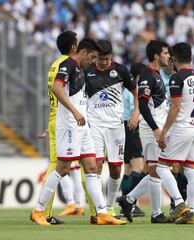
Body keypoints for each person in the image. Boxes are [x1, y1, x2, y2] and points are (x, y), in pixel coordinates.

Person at [30, 38, 126, 226]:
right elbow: (56, 87)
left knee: (91, 167)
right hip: (69, 125)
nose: (93, 61)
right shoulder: (69, 65)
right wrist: (74, 112)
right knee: (63, 168)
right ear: (82, 52)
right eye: (92, 57)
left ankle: (101, 213)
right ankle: (38, 210)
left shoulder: (80, 68)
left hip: (83, 126)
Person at [117, 40, 170, 224]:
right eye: (165, 53)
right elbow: (145, 107)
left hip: (155, 127)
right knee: (157, 170)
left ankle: (128, 199)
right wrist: (156, 129)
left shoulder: (157, 75)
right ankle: (156, 213)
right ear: (156, 55)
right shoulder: (148, 76)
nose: (168, 56)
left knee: (155, 170)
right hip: (150, 129)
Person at [85, 39, 139, 217]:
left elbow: (134, 90)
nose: (105, 62)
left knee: (116, 168)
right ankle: (98, 210)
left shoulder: (121, 70)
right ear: (96, 57)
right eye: (101, 59)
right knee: (96, 167)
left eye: (108, 59)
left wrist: (135, 112)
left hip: (116, 126)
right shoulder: (87, 71)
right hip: (95, 125)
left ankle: (109, 206)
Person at [157, 42, 194, 224]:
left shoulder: (177, 78)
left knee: (161, 166)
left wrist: (164, 132)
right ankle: (191, 211)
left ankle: (179, 203)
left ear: (174, 59)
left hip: (181, 128)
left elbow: (175, 107)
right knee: (191, 171)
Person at [40, 30, 78, 224]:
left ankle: (45, 211)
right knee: (58, 167)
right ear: (74, 46)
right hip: (63, 120)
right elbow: (60, 91)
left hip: (54, 118)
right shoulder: (67, 65)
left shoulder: (54, 64)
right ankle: (43, 212)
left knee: (57, 166)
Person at [120, 62, 147, 217]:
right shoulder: (133, 91)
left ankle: (127, 204)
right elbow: (134, 111)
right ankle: (130, 203)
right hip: (131, 127)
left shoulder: (125, 90)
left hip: (123, 127)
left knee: (128, 168)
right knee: (138, 166)